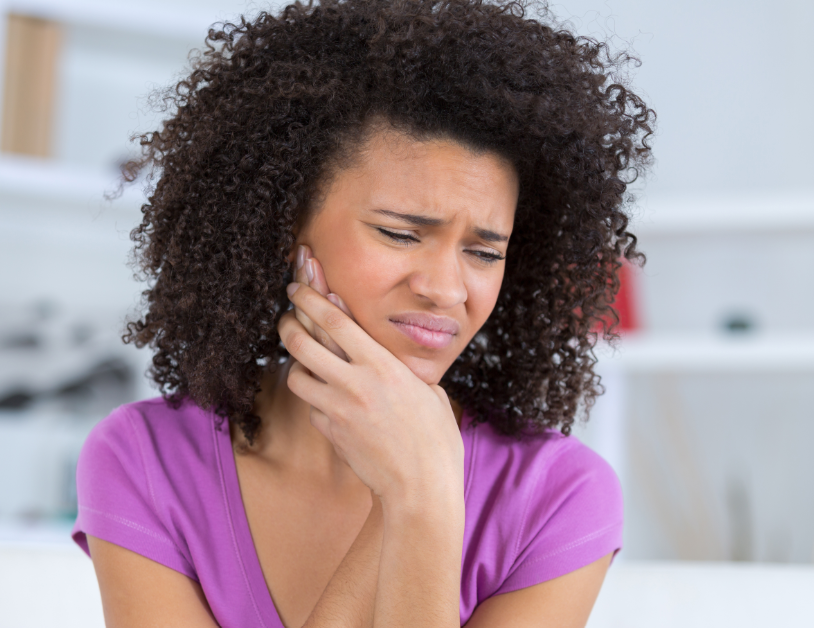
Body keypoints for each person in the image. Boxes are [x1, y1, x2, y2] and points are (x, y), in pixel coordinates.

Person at [71, 0, 654, 626]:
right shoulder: (146, 461)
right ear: (282, 228)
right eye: (401, 234)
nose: (446, 290)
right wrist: (410, 493)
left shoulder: (558, 495)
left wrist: (422, 500)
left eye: (484, 251)